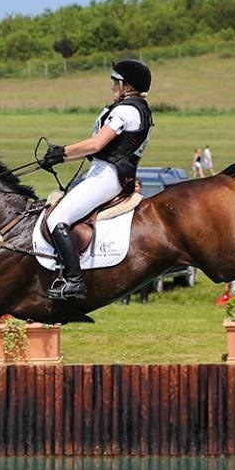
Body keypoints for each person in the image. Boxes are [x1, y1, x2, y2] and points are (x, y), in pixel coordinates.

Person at [38, 58, 154, 300]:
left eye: (116, 83)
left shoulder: (127, 110)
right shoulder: (136, 108)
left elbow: (97, 143)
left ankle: (74, 281)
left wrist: (62, 153)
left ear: (128, 86)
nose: (113, 88)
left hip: (108, 176)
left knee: (57, 219)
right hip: (107, 173)